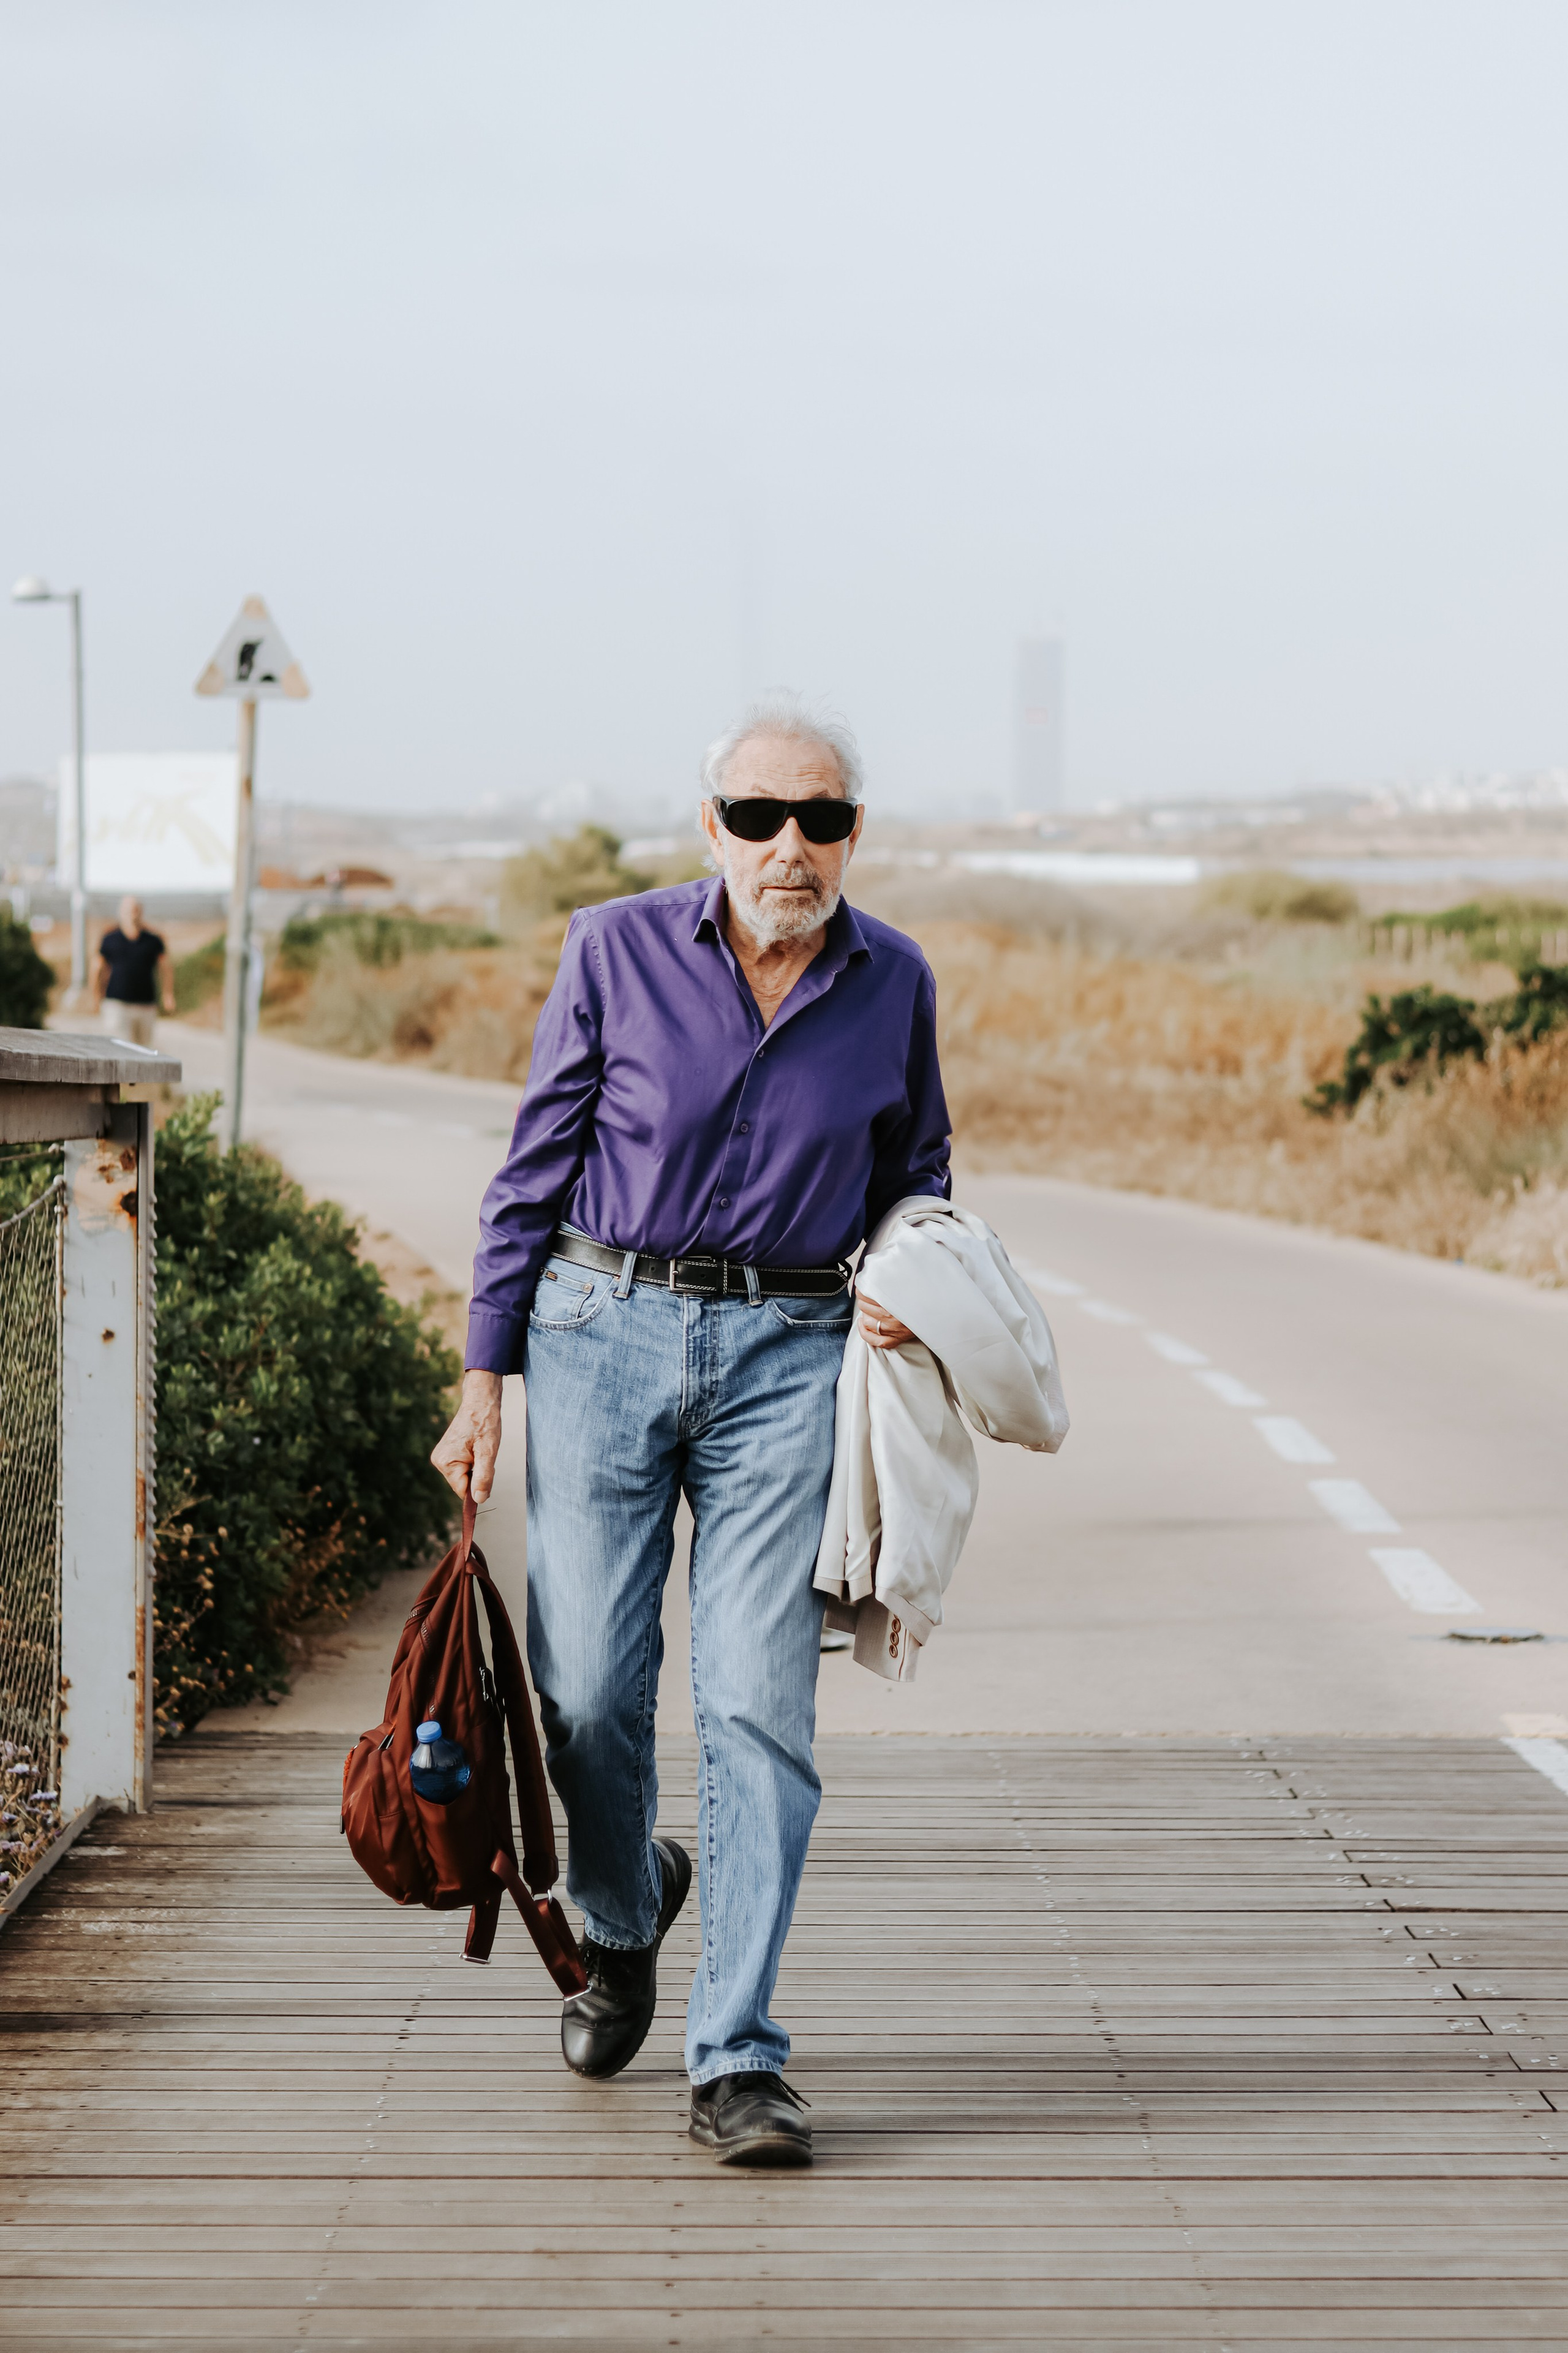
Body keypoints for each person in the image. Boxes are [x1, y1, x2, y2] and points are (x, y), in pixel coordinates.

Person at [431, 692, 946, 2167]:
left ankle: (737, 2056)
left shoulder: (893, 978)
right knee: (589, 1688)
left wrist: (909, 1277)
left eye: (824, 818)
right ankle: (617, 1909)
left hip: (792, 1347)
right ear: (709, 823)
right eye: (761, 815)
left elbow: (921, 1166)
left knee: (754, 1707)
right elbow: (528, 1172)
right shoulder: (612, 947)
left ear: (853, 834)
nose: (792, 845)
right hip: (600, 1329)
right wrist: (483, 1382)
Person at [94, 897, 175, 1046]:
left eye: (136, 910)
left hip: (146, 1005)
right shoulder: (110, 938)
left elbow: (166, 968)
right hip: (116, 1004)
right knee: (119, 1047)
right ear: (120, 912)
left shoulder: (154, 940)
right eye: (128, 910)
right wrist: (96, 995)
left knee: (143, 1050)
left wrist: (168, 995)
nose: (132, 914)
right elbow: (98, 969)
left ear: (141, 912)